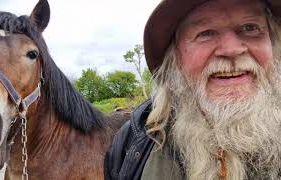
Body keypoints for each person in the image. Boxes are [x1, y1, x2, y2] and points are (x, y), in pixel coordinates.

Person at [104, 0, 281, 179]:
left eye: (250, 28)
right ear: (174, 56)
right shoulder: (131, 142)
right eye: (206, 33)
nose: (232, 50)